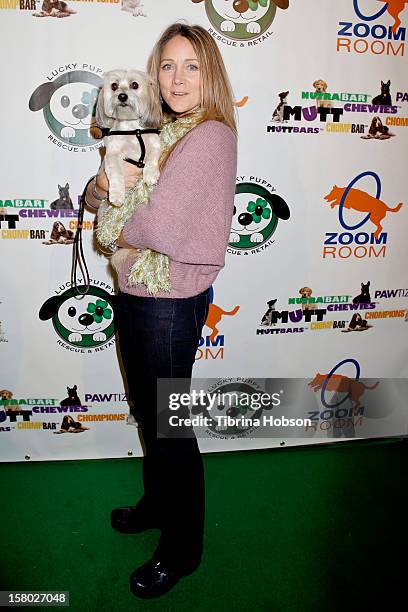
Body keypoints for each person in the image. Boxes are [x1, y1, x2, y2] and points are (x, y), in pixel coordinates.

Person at [84, 22, 237, 599]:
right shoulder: (160, 130)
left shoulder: (209, 137)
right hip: (140, 288)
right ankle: (156, 503)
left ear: (210, 75)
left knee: (170, 428)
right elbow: (112, 191)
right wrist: (102, 190)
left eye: (191, 66)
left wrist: (115, 221)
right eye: (167, 65)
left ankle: (183, 548)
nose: (177, 78)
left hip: (170, 298)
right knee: (152, 416)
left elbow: (161, 225)